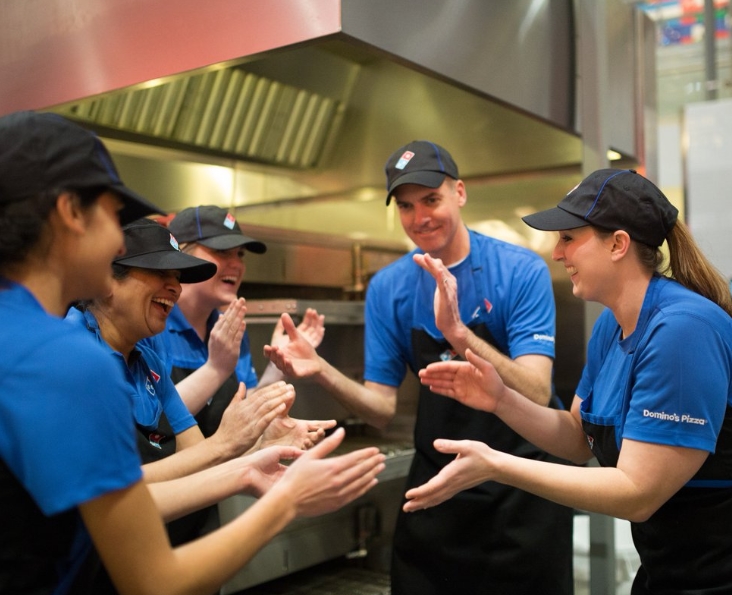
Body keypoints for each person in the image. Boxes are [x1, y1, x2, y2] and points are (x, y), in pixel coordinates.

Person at [0, 110, 385, 595]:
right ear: (71, 213)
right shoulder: (67, 363)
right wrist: (287, 500)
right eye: (113, 215)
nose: (119, 238)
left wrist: (245, 462)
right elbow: (154, 579)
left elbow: (104, 499)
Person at [264, 140, 574, 594]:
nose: (420, 217)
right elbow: (380, 408)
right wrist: (320, 369)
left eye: (432, 199)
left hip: (520, 487)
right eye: (406, 206)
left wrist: (460, 335)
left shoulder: (519, 271)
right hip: (439, 491)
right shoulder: (389, 288)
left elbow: (537, 391)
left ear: (460, 193)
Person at [410, 168, 732, 594]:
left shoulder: (682, 329)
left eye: (568, 238)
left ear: (618, 244)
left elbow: (638, 492)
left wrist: (497, 465)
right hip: (668, 567)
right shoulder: (612, 326)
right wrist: (501, 398)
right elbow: (578, 438)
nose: (556, 253)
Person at [145, 205, 325, 437]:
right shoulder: (149, 325)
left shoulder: (230, 327)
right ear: (181, 254)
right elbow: (151, 422)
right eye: (223, 251)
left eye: (240, 254)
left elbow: (243, 410)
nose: (237, 264)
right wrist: (216, 369)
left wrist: (278, 366)